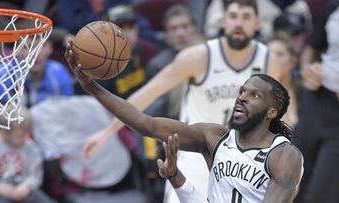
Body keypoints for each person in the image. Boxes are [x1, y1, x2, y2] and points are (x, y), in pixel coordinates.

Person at [74, 0, 290, 201]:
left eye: (246, 17)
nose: (239, 23)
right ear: (224, 21)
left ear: (258, 23)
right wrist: (107, 132)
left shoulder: (270, 61)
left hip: (243, 167)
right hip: (195, 157)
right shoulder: (198, 57)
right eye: (233, 16)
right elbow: (148, 94)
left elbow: (282, 112)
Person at [66, 54, 304, 202]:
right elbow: (145, 124)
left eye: (254, 95)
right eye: (241, 91)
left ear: (272, 112)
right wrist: (90, 86)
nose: (241, 97)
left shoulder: (284, 156)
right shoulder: (214, 137)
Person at [294, 0, 339, 202]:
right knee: (294, 177)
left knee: (321, 192)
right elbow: (312, 49)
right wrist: (307, 69)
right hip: (318, 97)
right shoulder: (332, 7)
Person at [0, 107, 54, 203]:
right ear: (4, 132)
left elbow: (36, 175)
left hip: (25, 190)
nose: (26, 138)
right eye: (20, 136)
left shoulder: (31, 147)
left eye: (28, 134)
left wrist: (27, 186)